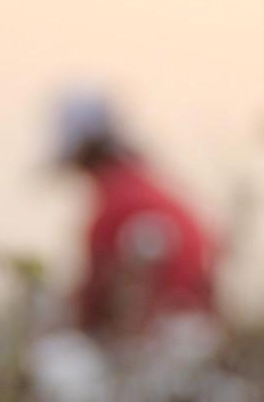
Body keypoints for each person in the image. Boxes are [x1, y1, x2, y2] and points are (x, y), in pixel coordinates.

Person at [55, 91, 217, 336]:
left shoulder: (115, 204)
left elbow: (93, 297)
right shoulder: (151, 187)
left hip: (156, 337)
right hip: (195, 328)